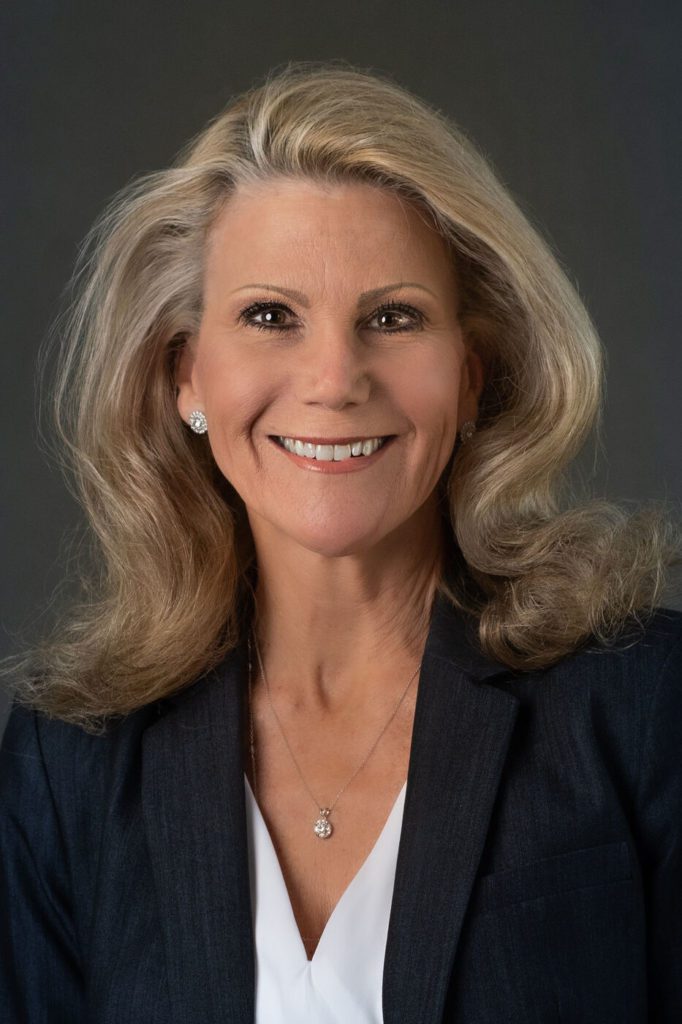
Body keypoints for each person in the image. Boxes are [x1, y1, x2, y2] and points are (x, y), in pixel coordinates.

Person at [1, 60, 680, 1024]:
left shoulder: (645, 704)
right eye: (269, 316)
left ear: (474, 374)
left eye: (392, 317)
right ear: (186, 375)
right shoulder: (68, 759)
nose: (333, 379)